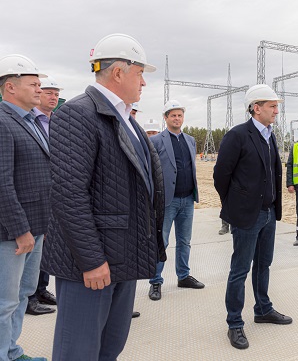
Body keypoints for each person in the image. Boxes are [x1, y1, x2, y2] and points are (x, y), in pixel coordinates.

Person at [41, 33, 166, 360]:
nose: (144, 82)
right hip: (92, 266)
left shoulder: (127, 120)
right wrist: (92, 260)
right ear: (119, 72)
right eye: (140, 73)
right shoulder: (78, 114)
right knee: (79, 351)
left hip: (122, 258)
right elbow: (69, 194)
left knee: (110, 347)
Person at [214, 84, 292, 350]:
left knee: (263, 265)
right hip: (247, 216)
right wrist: (235, 205)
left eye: (277, 106)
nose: (276, 111)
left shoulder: (270, 136)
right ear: (256, 108)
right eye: (272, 106)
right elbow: (220, 176)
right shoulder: (237, 136)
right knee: (240, 270)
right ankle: (234, 323)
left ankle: (263, 309)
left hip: (268, 213)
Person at [0, 54, 51, 361]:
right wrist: (21, 230)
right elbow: (2, 182)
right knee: (5, 301)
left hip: (36, 226)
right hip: (13, 233)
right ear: (10, 87)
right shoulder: (3, 122)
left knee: (22, 294)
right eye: (33, 84)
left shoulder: (29, 121)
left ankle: (12, 351)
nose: (39, 89)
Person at [148, 99, 204, 301]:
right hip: (166, 201)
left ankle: (183, 276)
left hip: (187, 199)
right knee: (161, 241)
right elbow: (151, 171)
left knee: (184, 241)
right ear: (166, 118)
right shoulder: (156, 141)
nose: (177, 118)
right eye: (173, 115)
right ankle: (155, 281)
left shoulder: (190, 140)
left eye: (180, 115)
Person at [25, 76, 62, 317]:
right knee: (33, 247)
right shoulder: (30, 120)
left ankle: (41, 289)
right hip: (34, 193)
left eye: (56, 94)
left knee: (47, 246)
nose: (53, 97)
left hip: (53, 192)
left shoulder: (56, 122)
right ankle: (28, 297)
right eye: (48, 92)